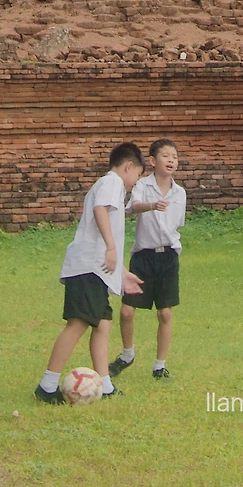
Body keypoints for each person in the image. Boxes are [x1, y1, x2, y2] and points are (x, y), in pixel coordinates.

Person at [35, 142, 146, 405]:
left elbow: (106, 230)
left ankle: (105, 385)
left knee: (103, 324)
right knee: (78, 323)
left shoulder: (112, 187)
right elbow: (99, 213)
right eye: (137, 176)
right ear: (128, 167)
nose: (134, 183)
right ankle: (47, 385)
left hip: (97, 269)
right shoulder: (112, 183)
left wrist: (121, 272)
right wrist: (110, 247)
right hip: (87, 268)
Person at [110, 137, 186, 381]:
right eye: (166, 156)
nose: (171, 160)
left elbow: (177, 225)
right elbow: (132, 208)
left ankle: (159, 365)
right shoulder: (143, 185)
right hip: (143, 256)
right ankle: (127, 354)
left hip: (168, 257)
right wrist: (152, 205)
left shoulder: (180, 193)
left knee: (165, 313)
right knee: (127, 311)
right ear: (153, 161)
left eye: (174, 157)